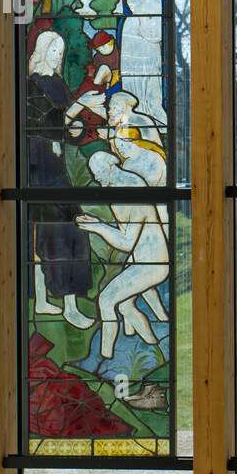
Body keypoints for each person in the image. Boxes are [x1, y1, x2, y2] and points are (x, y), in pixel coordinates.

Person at [26, 30, 93, 331]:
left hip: (54, 167)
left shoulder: (57, 84)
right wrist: (77, 110)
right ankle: (61, 304)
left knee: (66, 234)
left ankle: (59, 301)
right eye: (54, 52)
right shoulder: (33, 86)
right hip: (38, 170)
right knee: (55, 236)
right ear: (43, 51)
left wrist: (74, 126)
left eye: (61, 54)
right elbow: (42, 125)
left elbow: (61, 129)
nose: (58, 59)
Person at [75, 152, 171, 360]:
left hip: (152, 263)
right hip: (142, 260)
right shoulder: (118, 189)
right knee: (125, 304)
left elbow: (127, 242)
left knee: (106, 300)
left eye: (98, 172)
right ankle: (153, 345)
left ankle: (104, 357)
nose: (96, 178)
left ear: (110, 168)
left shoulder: (132, 190)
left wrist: (98, 227)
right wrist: (98, 226)